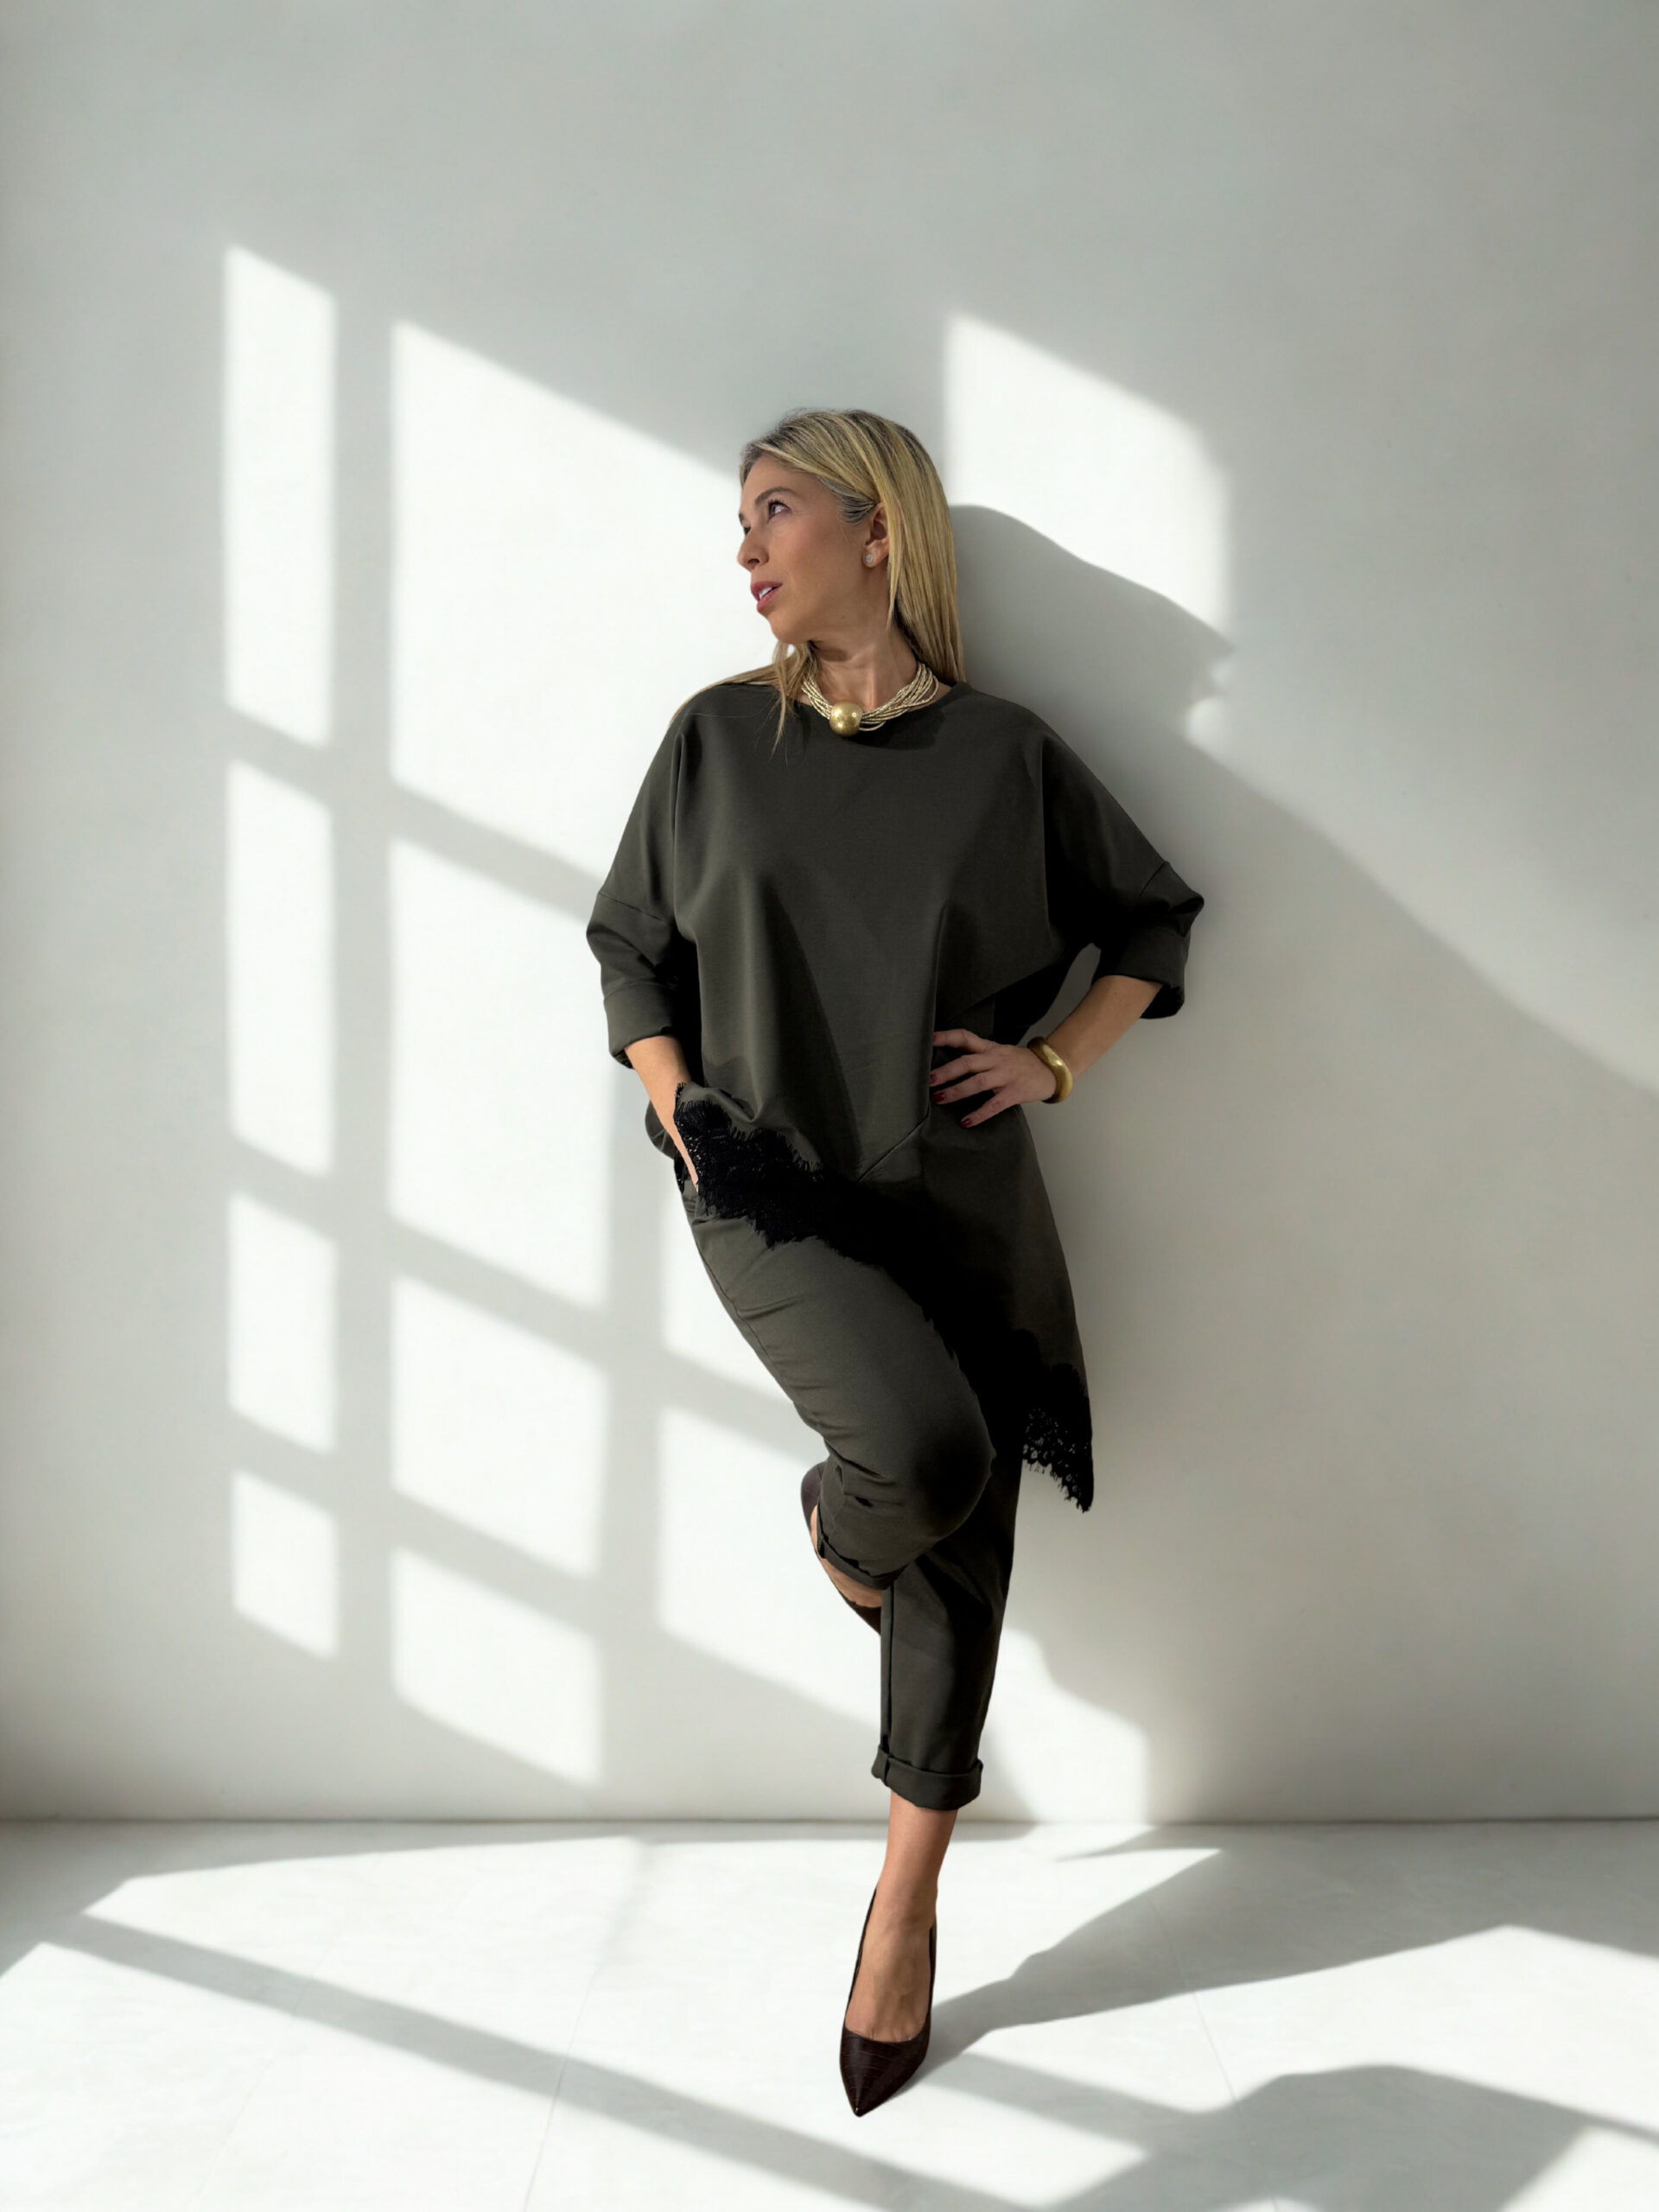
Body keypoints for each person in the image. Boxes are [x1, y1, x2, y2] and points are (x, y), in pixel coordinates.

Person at [586, 406, 1204, 2113]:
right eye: (741, 519)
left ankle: (905, 1906)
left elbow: (1151, 916)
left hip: (956, 1188)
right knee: (923, 1462)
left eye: (774, 509)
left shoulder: (1005, 755)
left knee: (963, 1539)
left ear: (879, 529)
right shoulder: (717, 737)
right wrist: (676, 1098)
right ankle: (838, 1527)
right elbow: (630, 941)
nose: (746, 546)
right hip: (767, 1184)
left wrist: (1054, 1058)